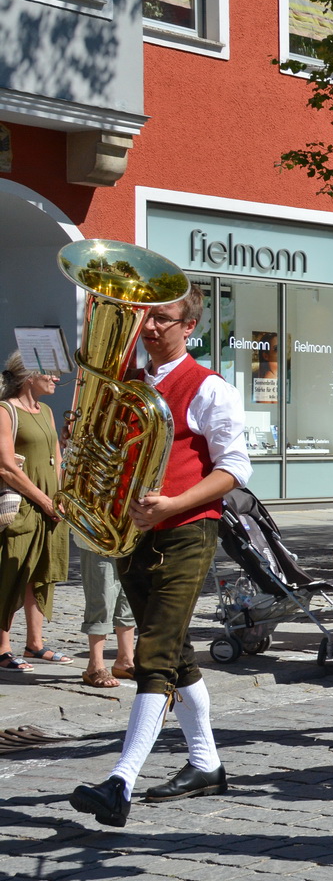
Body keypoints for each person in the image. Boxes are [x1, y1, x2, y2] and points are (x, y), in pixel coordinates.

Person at [70, 285, 249, 827]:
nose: (149, 328)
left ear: (188, 327)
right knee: (174, 653)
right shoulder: (126, 385)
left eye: (163, 320)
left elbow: (235, 469)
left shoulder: (211, 388)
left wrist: (173, 502)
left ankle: (120, 780)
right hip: (131, 531)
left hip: (187, 531)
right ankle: (206, 763)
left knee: (153, 650)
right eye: (146, 319)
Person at [0, 353, 69, 671]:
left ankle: (35, 644)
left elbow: (56, 456)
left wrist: (61, 497)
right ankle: (2, 646)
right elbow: (6, 468)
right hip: (23, 505)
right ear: (30, 376)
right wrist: (44, 500)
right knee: (10, 573)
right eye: (51, 374)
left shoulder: (47, 411)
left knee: (40, 574)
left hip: (48, 506)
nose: (56, 379)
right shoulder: (5, 411)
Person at [79, 543, 135, 687]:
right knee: (102, 596)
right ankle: (95, 665)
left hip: (130, 536)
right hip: (97, 538)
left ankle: (126, 661)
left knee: (129, 596)